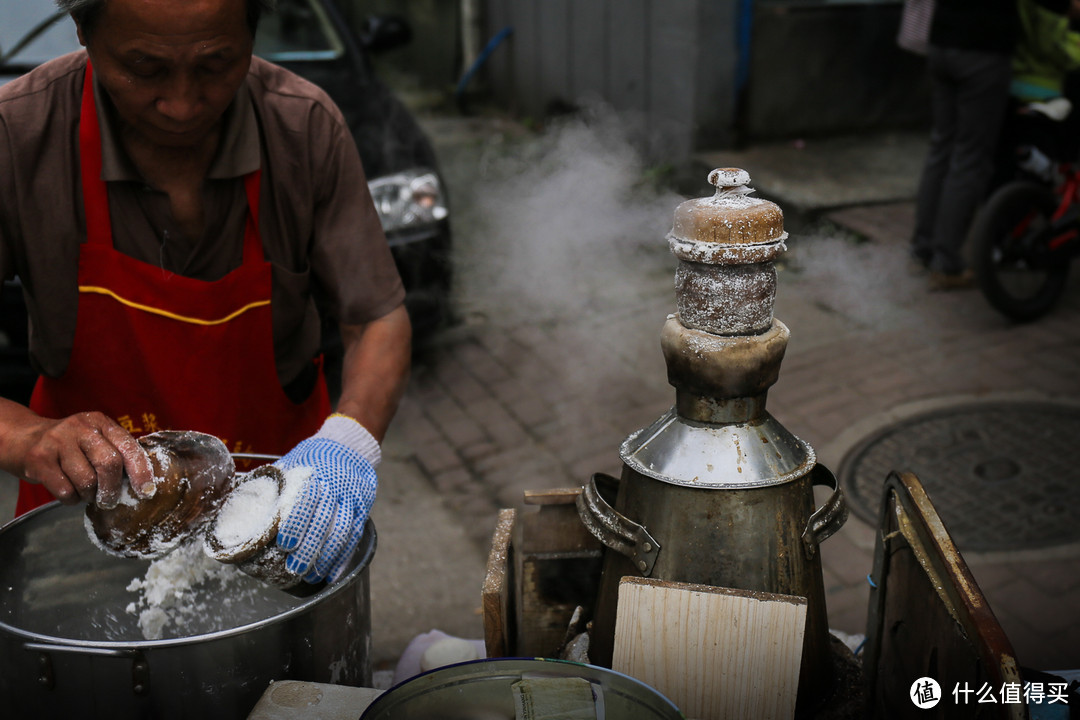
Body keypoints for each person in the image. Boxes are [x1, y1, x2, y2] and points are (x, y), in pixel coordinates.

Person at [0, 0, 412, 584]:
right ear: (84, 32)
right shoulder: (18, 136)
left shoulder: (303, 127)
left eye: (217, 64)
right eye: (144, 68)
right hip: (86, 527)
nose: (183, 103)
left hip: (272, 523)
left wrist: (347, 443)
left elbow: (377, 319)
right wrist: (31, 437)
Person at [910, 0, 1018, 291]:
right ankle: (946, 263)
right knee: (970, 156)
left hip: (943, 40)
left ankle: (922, 249)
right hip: (982, 47)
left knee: (942, 146)